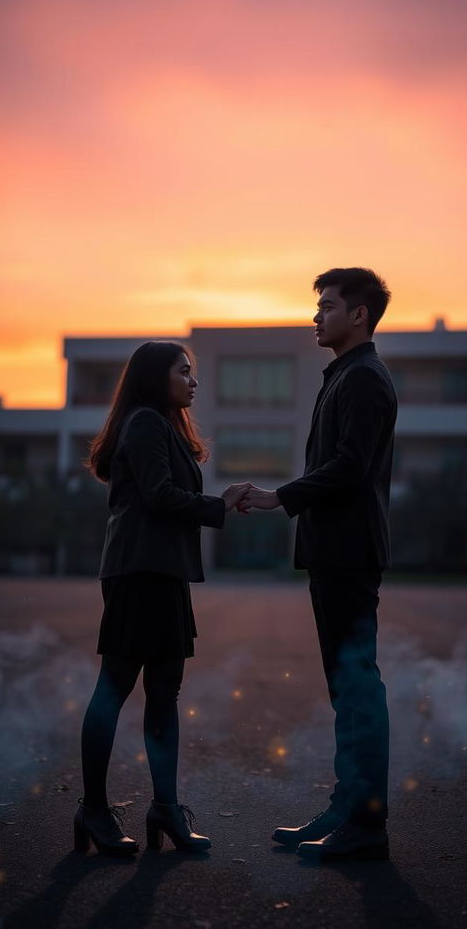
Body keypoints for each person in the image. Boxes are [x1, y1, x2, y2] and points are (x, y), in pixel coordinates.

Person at [241, 267, 397, 860]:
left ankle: (366, 825)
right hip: (336, 551)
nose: (316, 316)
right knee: (346, 686)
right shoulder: (346, 375)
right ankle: (346, 807)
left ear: (358, 315)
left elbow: (350, 466)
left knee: (358, 686)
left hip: (349, 552)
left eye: (327, 306)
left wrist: (284, 495)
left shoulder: (363, 379)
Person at [74, 341, 249, 856]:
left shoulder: (164, 425)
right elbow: (159, 497)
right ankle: (93, 809)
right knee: (115, 688)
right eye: (184, 372)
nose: (193, 381)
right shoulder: (146, 422)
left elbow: (165, 496)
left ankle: (165, 809)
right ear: (157, 378)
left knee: (165, 692)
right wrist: (219, 505)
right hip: (138, 573)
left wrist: (218, 502)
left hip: (163, 572)